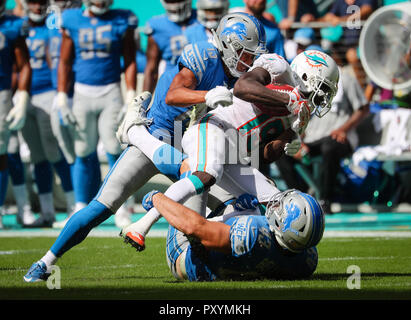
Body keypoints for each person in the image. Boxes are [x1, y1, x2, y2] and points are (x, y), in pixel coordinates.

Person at [22, 12, 268, 281]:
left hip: (188, 143)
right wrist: (206, 95)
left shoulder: (236, 78)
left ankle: (202, 256)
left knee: (237, 203)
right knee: (101, 207)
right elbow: (174, 95)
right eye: (245, 54)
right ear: (227, 45)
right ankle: (45, 262)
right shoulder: (205, 56)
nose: (249, 62)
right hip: (161, 131)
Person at [119, 50, 339, 251]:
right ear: (306, 76)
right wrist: (288, 100)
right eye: (323, 89)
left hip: (235, 154)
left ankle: (203, 228)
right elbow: (243, 88)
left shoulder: (301, 113)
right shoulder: (279, 68)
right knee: (207, 174)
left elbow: (265, 155)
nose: (322, 99)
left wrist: (286, 141)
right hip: (214, 127)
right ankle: (141, 225)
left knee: (274, 203)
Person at [56, 0, 138, 227]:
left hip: (110, 91)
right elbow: (64, 60)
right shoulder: (72, 19)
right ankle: (80, 206)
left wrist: (130, 92)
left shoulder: (122, 18)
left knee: (114, 149)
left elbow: (129, 58)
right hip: (82, 92)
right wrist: (62, 95)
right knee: (83, 150)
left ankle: (120, 205)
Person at [276, 63, 369, 214]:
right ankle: (300, 197)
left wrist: (343, 129)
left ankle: (326, 199)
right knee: (283, 150)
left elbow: (363, 108)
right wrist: (299, 139)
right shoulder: (307, 82)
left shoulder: (346, 80)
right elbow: (302, 115)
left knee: (329, 148)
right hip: (313, 138)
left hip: (340, 137)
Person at [17, 0, 75, 228]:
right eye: (32, 2)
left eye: (41, 2)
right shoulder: (17, 26)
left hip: (47, 92)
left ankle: (73, 205)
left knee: (54, 152)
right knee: (36, 156)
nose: (37, 6)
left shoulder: (54, 27)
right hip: (22, 95)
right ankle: (47, 211)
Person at [0, 0, 32, 228]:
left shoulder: (11, 26)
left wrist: (21, 97)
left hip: (1, 93)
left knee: (2, 153)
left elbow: (23, 65)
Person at [318, 0, 378, 87]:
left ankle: (362, 89)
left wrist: (340, 20)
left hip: (363, 45)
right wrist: (325, 18)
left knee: (352, 55)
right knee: (327, 51)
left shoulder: (365, 2)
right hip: (342, 48)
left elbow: (366, 9)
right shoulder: (339, 2)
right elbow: (329, 17)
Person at [143, 0, 198, 93]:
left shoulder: (202, 18)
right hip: (173, 85)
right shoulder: (157, 25)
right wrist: (143, 98)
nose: (174, 5)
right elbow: (152, 68)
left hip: (204, 82)